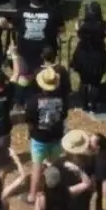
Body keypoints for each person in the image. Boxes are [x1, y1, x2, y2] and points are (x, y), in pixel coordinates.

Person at [25, 67, 69, 201]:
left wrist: (30, 132)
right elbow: (64, 115)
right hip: (56, 137)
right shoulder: (62, 99)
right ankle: (52, 194)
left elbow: (30, 120)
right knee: (53, 166)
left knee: (36, 168)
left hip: (39, 138)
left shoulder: (33, 101)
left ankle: (32, 195)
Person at [67, 2, 106, 114]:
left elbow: (77, 30)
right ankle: (94, 105)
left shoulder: (81, 23)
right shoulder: (103, 24)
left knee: (84, 81)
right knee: (96, 82)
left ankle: (84, 105)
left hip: (83, 55)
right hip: (98, 55)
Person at [14, 0, 59, 86]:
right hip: (46, 53)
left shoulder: (20, 12)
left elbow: (15, 27)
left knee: (25, 78)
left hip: (25, 52)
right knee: (45, 77)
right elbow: (62, 29)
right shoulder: (52, 12)